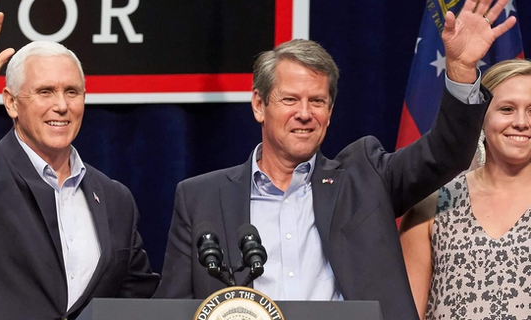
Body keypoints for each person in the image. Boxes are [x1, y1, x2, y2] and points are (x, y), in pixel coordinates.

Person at [153, 1, 517, 320]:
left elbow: (445, 153)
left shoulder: (365, 177)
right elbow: (173, 307)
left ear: (330, 112)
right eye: (290, 100)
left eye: (317, 101)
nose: (304, 113)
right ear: (259, 105)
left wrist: (461, 70)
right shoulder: (199, 196)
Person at [0, 6, 158, 320]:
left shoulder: (114, 199)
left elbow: (137, 302)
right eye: (45, 91)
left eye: (72, 91)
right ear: (11, 103)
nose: (61, 105)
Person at [399, 58, 531, 320]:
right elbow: (407, 312)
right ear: (481, 117)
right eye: (506, 109)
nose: (521, 122)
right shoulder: (432, 203)